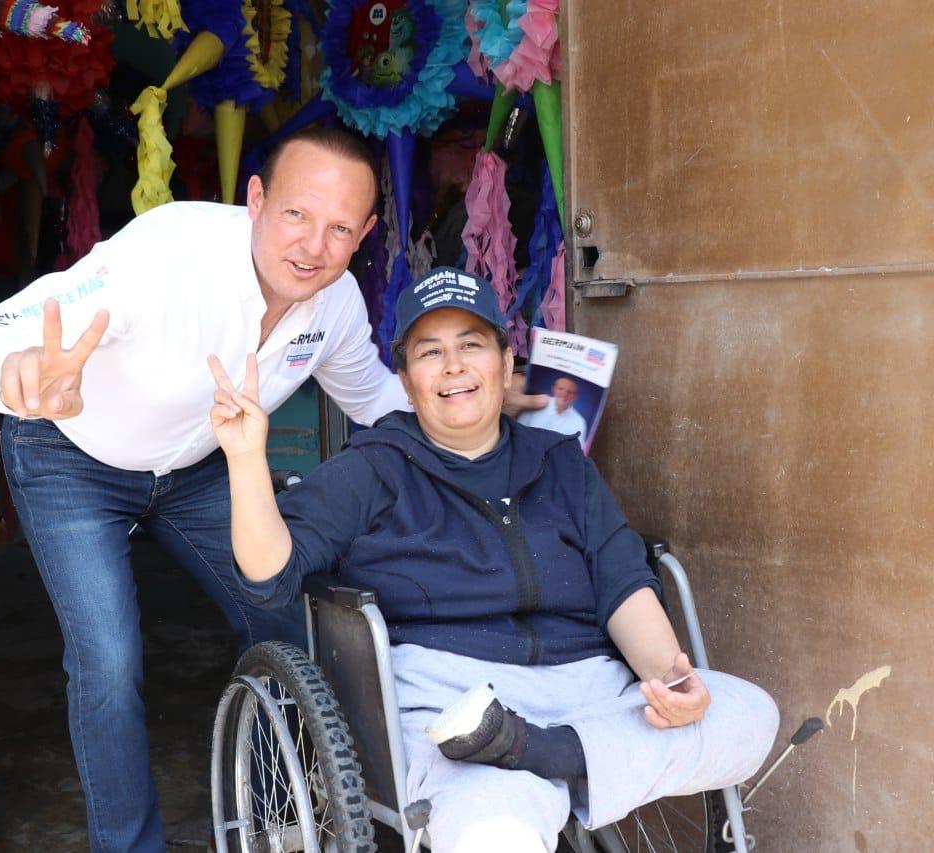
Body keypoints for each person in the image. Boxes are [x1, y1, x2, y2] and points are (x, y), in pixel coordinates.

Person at [0, 129, 547, 852]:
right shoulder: (167, 253)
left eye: (338, 228)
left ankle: (280, 815)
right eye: (297, 214)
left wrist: (476, 398)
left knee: (296, 617)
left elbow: (378, 401)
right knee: (108, 656)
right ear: (257, 199)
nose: (312, 246)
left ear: (363, 235)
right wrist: (15, 369)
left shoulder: (334, 306)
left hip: (200, 464)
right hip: (72, 456)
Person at [209, 267, 779, 852]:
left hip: (587, 693)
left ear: (507, 366)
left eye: (472, 345)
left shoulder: (559, 462)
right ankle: (558, 759)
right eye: (430, 352)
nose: (453, 366)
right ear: (406, 381)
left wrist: (670, 680)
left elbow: (621, 579)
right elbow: (270, 576)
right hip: (456, 708)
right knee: (494, 831)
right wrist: (246, 459)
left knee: (748, 714)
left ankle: (543, 751)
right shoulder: (373, 468)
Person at [518, 375, 589, 445]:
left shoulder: (579, 421)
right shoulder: (537, 403)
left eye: (570, 392)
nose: (564, 394)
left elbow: (576, 450)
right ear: (554, 388)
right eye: (561, 389)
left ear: (575, 397)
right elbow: (518, 429)